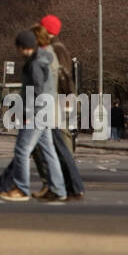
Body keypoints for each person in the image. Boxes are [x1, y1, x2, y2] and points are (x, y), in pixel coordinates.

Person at [0, 30, 67, 203]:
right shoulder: (43, 59)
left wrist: (30, 113)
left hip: (37, 112)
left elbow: (36, 89)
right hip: (45, 110)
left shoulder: (35, 64)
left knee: (22, 150)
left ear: (23, 47)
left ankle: (22, 189)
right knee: (49, 151)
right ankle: (59, 189)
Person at [30, 16, 85, 200]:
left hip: (56, 105)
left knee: (57, 147)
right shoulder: (56, 48)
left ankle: (65, 185)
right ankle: (64, 185)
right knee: (53, 146)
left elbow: (57, 78)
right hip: (58, 104)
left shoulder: (54, 50)